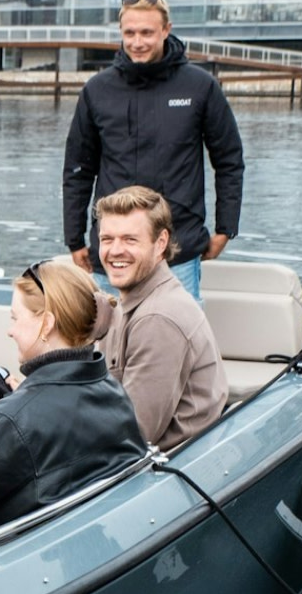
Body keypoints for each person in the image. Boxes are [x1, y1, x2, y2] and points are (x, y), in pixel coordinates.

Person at [62, 0, 245, 300]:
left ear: (165, 30)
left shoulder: (200, 86)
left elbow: (229, 161)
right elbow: (78, 169)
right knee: (107, 344)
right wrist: (74, 239)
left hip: (178, 247)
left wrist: (226, 228)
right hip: (113, 251)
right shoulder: (97, 90)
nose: (137, 42)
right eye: (129, 33)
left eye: (147, 32)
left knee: (179, 342)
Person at [0, 261, 148, 530]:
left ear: (46, 324)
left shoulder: (9, 422)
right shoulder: (114, 394)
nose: (11, 330)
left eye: (15, 318)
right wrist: (19, 396)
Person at [95, 186, 228, 450]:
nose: (115, 251)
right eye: (107, 239)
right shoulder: (133, 300)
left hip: (167, 470)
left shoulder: (158, 319)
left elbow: (130, 436)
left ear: (161, 243)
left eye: (130, 240)